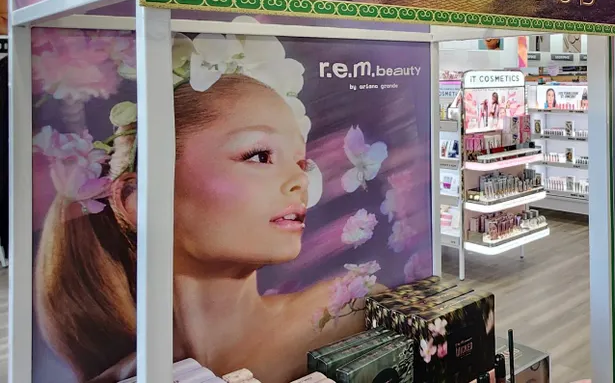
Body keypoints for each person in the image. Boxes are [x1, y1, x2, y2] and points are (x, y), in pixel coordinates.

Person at [35, 73, 377, 383]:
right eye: (259, 156)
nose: (300, 180)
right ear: (136, 199)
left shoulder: (354, 309)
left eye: (302, 162)